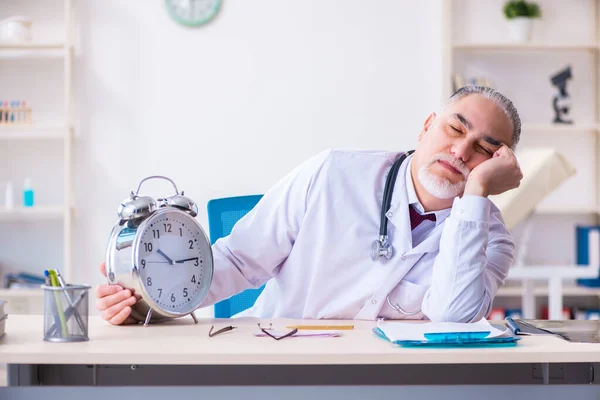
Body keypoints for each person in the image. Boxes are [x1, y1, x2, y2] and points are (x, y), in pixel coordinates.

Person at [96, 85, 523, 325]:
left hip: (389, 385)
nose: (462, 151)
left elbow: (454, 319)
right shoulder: (333, 173)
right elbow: (241, 261)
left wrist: (475, 196)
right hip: (275, 365)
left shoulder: (490, 236)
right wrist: (150, 304)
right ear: (427, 126)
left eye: (485, 149)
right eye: (454, 129)